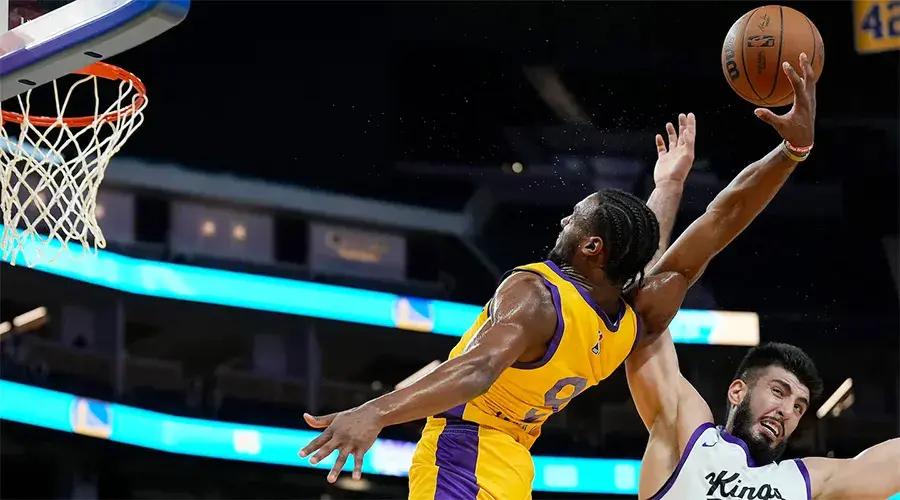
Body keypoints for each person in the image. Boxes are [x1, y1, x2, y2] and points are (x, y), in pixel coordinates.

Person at [298, 52, 820, 499]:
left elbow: (478, 369)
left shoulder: (535, 295)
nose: (564, 221)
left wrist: (376, 412)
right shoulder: (631, 319)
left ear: (592, 248)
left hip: (463, 449)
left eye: (575, 218)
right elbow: (720, 221)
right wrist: (786, 154)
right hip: (507, 459)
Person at [627, 339, 900, 498]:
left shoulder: (800, 480)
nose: (787, 411)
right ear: (737, 392)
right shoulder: (691, 438)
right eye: (778, 392)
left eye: (799, 407)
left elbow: (879, 467)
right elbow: (648, 329)